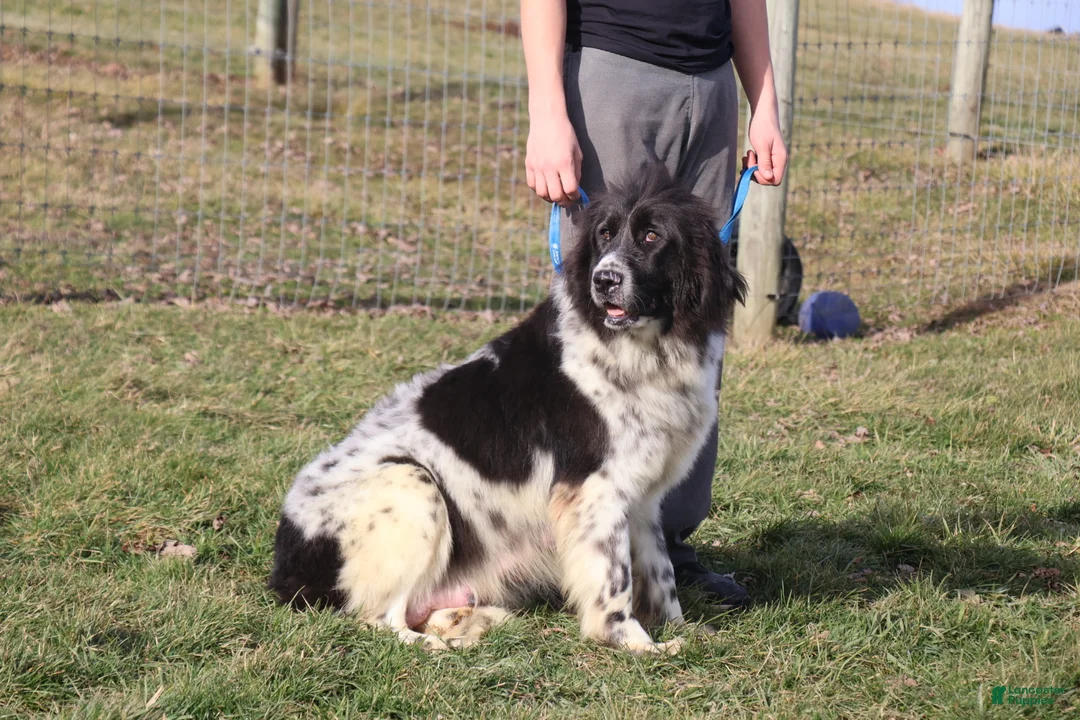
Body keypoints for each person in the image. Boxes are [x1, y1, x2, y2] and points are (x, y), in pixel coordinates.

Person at [520, 0, 789, 607]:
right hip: (613, 73)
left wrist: (764, 103)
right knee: (602, 330)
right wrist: (546, 110)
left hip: (713, 83)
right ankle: (585, 543)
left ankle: (668, 549)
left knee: (697, 311)